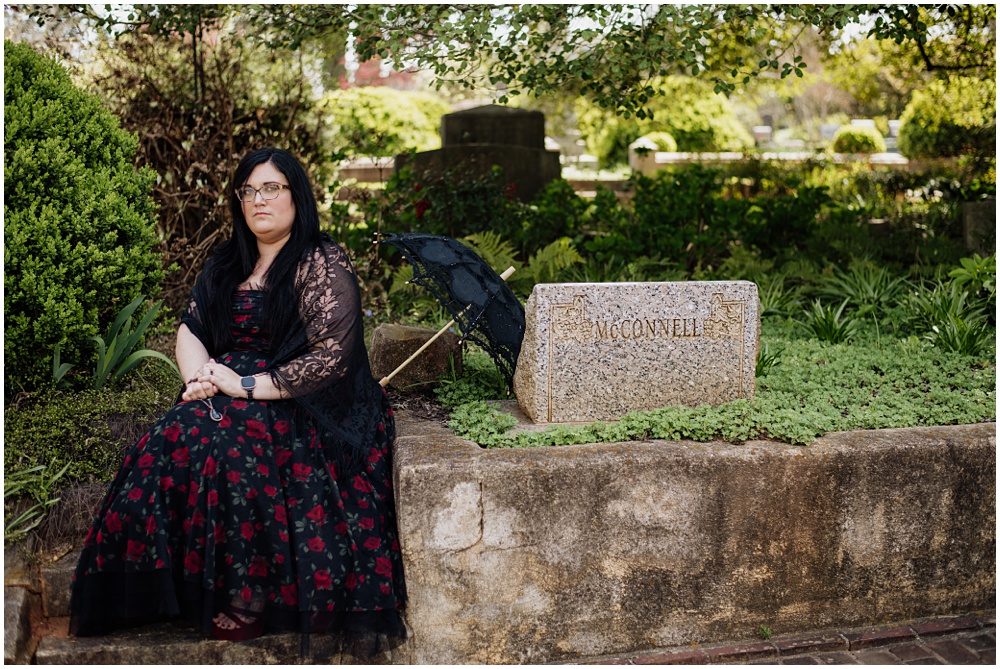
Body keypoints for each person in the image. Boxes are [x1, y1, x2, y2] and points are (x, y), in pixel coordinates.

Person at [69, 148, 407, 652]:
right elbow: (192, 327)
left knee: (233, 447)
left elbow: (331, 359)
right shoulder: (228, 261)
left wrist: (244, 387)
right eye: (248, 190)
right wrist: (199, 379)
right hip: (227, 385)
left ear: (297, 196)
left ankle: (246, 595)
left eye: (272, 188)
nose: (258, 199)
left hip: (307, 402)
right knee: (169, 440)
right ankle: (166, 587)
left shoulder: (321, 261)